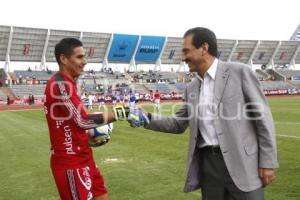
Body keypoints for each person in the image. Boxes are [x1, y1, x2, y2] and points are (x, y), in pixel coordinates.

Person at [130, 27, 278, 200]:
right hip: (208, 168)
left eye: (186, 51)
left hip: (244, 165)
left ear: (204, 48)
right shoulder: (191, 88)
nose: (183, 57)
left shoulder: (240, 72)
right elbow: (178, 124)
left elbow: (263, 119)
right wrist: (145, 118)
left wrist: (268, 162)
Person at [44, 38, 129, 200]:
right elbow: (82, 120)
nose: (85, 61)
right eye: (79, 57)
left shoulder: (68, 83)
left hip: (84, 157)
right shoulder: (60, 85)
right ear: (63, 59)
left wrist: (87, 137)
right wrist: (123, 112)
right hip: (71, 162)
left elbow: (72, 122)